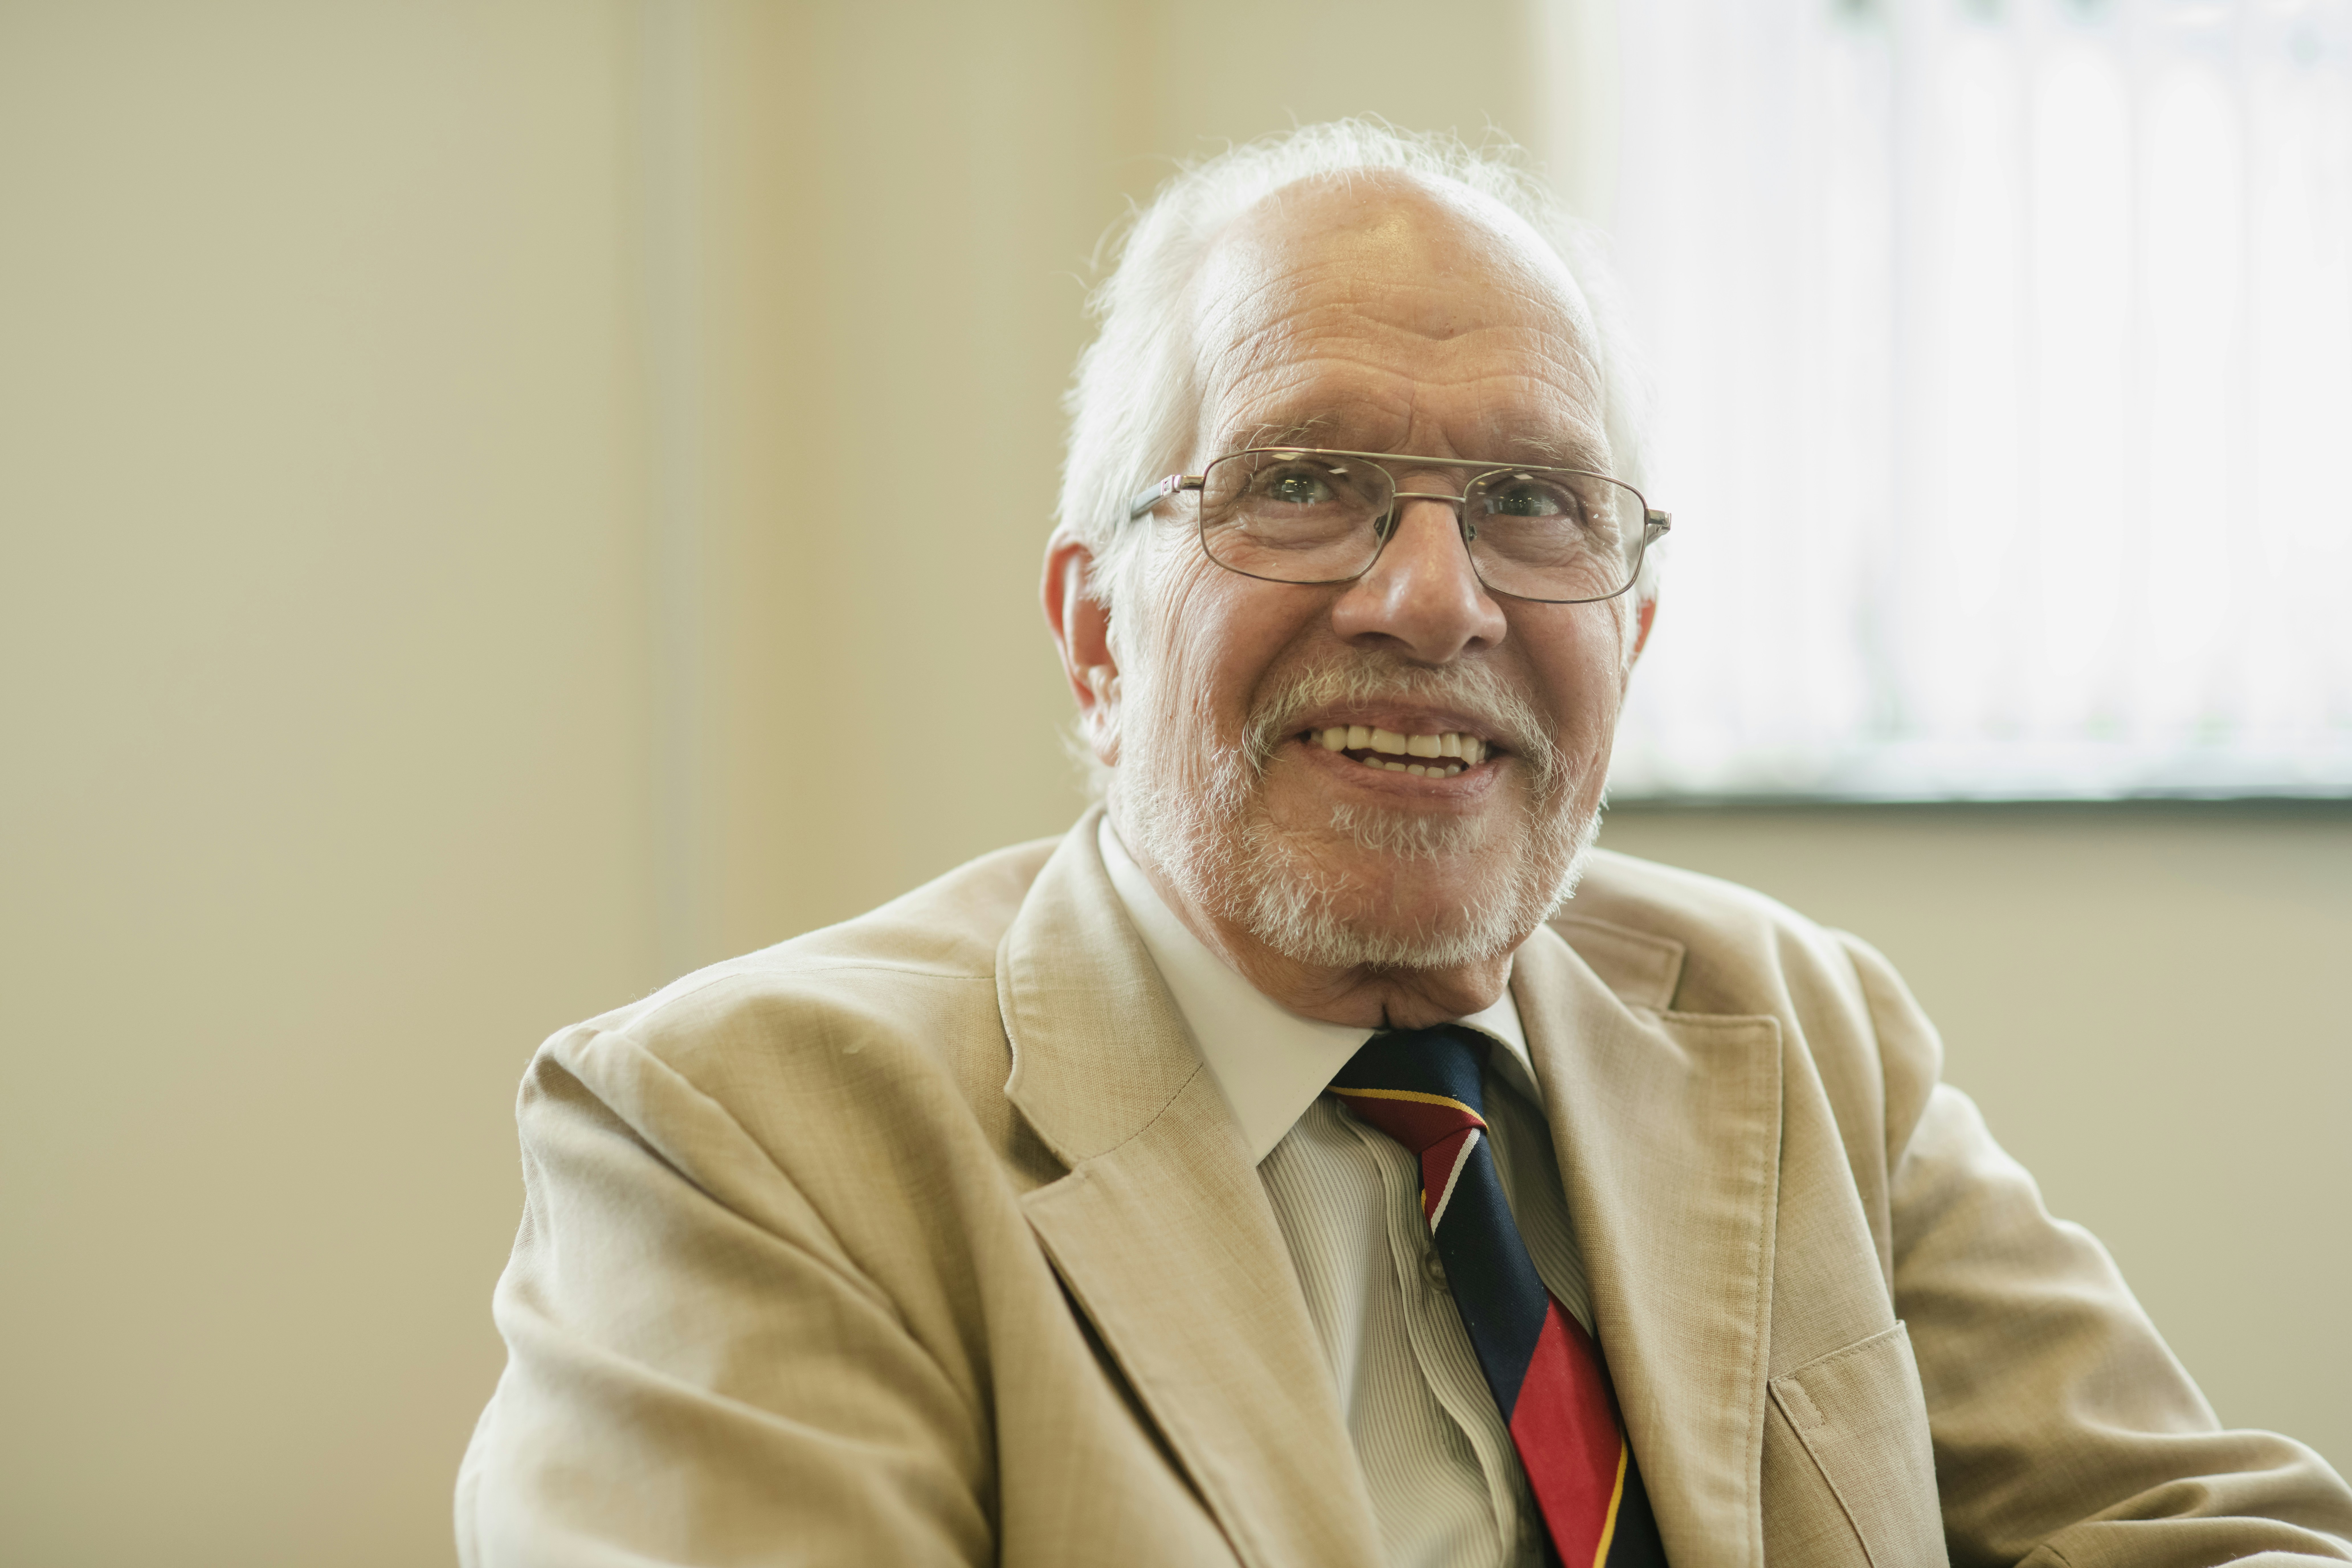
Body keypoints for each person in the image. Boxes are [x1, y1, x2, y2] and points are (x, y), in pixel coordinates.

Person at [456, 123, 2352, 1567]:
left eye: (1535, 503)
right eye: (1304, 483)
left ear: (1634, 634)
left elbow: (2204, 1539)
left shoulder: (1803, 1032)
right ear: (1099, 634)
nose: (1435, 599)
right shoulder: (744, 1139)